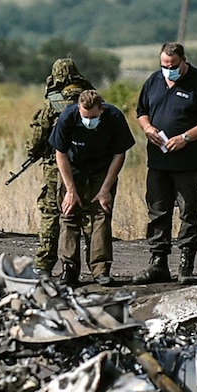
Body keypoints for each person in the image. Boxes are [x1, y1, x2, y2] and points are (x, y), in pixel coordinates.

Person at [132, 42, 197, 285]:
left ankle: (186, 265)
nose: (168, 70)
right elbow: (141, 111)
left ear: (184, 61)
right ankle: (158, 263)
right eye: (164, 65)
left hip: (188, 163)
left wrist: (185, 138)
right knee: (157, 212)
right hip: (158, 160)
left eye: (172, 66)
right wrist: (148, 127)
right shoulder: (153, 81)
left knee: (188, 213)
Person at [48, 90, 135, 287]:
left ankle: (101, 269)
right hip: (73, 167)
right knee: (69, 213)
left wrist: (105, 189)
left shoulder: (114, 117)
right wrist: (70, 190)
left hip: (102, 168)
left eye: (93, 117)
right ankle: (69, 269)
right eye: (85, 116)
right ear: (79, 108)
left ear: (101, 110)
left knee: (101, 213)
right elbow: (60, 154)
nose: (88, 120)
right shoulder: (67, 117)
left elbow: (119, 154)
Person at [24, 58, 95, 278]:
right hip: (88, 167)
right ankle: (96, 266)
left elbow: (36, 140)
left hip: (56, 168)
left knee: (51, 213)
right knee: (88, 217)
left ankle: (44, 265)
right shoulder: (91, 98)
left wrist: (33, 153)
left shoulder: (52, 103)